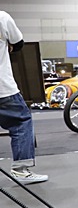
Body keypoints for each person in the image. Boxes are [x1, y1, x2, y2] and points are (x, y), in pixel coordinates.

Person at [0, 11, 48, 184]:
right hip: (3, 89)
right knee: (20, 121)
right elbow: (18, 43)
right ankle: (20, 170)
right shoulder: (2, 17)